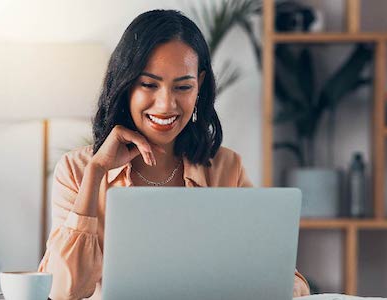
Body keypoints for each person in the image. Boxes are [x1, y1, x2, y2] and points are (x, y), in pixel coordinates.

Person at [38, 9, 310, 300]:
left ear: (199, 86)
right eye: (149, 84)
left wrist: (282, 287)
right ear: (125, 84)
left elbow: (285, 280)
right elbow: (64, 291)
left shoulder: (225, 167)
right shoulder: (78, 170)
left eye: (183, 87)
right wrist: (96, 173)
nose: (167, 104)